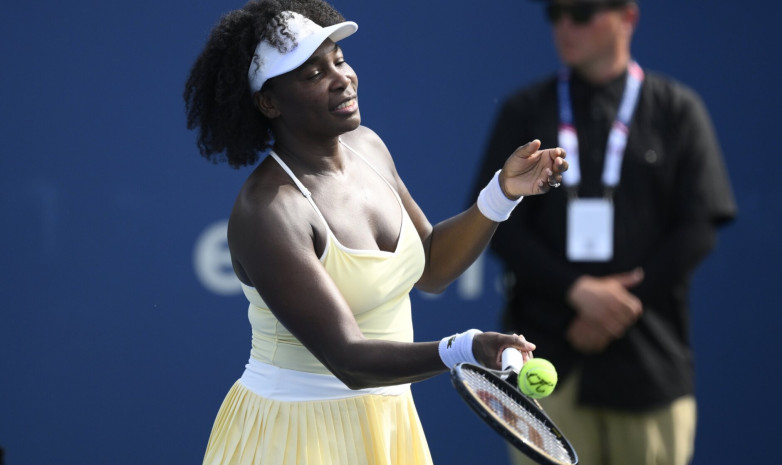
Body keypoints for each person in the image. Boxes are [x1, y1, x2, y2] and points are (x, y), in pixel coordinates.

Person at [184, 1, 568, 464]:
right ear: (269, 102)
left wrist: (502, 194)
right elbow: (349, 359)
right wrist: (463, 348)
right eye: (313, 74)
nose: (341, 78)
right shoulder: (269, 211)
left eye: (339, 60)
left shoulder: (368, 146)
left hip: (388, 420)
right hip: (293, 435)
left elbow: (432, 267)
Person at [471, 1, 737, 464]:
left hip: (649, 366)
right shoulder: (525, 111)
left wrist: (618, 305)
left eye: (581, 12)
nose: (565, 25)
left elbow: (697, 229)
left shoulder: (676, 109)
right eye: (555, 13)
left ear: (627, 17)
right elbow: (495, 225)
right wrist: (577, 291)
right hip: (546, 360)